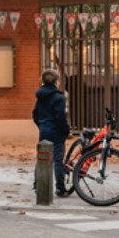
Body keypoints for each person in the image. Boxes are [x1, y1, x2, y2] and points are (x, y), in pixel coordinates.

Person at [32, 69, 71, 197]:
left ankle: (38, 183)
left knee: (42, 158)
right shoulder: (58, 97)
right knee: (58, 160)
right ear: (55, 81)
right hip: (56, 132)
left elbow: (35, 114)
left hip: (44, 130)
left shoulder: (40, 96)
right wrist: (65, 130)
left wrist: (41, 125)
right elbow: (60, 117)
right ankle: (60, 188)